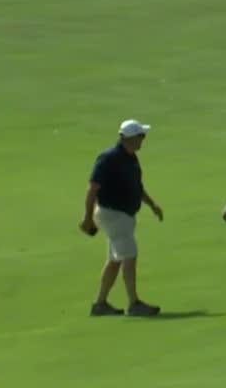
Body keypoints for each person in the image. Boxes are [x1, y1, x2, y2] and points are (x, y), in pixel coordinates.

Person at [79, 119, 163, 317]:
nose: (143, 139)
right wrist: (87, 217)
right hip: (113, 214)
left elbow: (137, 186)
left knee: (115, 260)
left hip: (122, 215)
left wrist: (152, 205)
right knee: (129, 256)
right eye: (141, 136)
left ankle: (99, 304)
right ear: (130, 138)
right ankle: (133, 303)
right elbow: (92, 188)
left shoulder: (130, 157)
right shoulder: (108, 158)